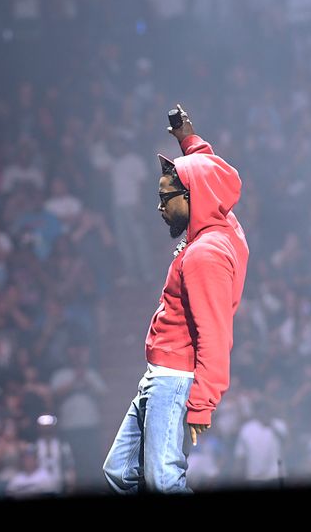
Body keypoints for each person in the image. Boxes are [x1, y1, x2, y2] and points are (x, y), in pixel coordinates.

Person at [103, 104, 249, 494]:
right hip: (159, 374)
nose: (160, 207)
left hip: (174, 377)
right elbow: (208, 171)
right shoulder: (221, 221)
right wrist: (189, 139)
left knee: (164, 480)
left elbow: (215, 333)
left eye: (167, 198)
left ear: (191, 196)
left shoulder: (205, 255)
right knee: (120, 472)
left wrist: (203, 401)